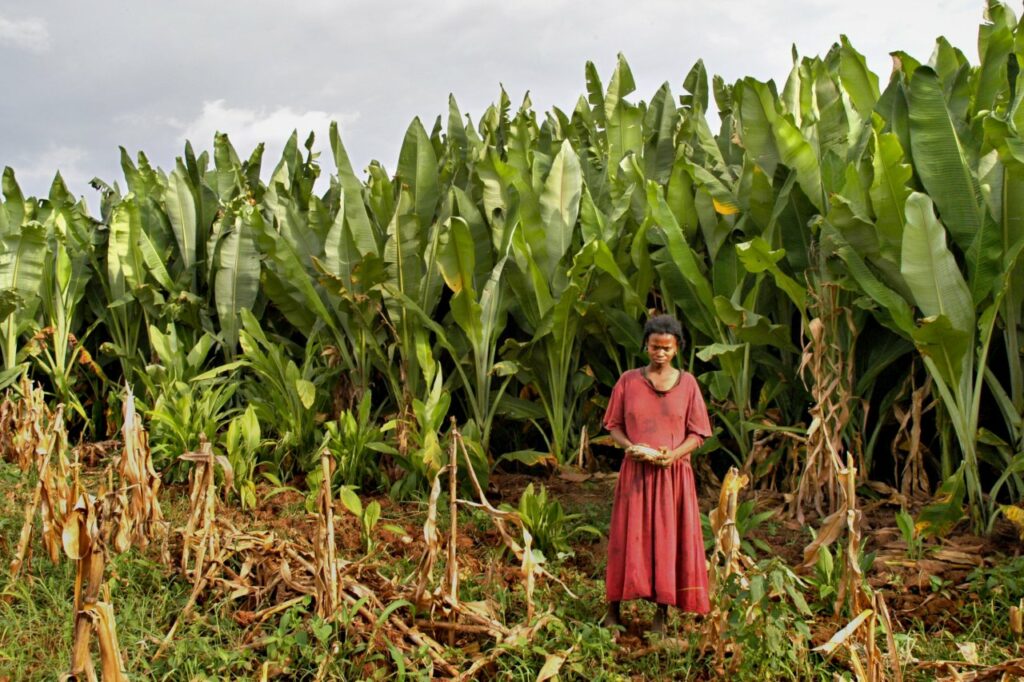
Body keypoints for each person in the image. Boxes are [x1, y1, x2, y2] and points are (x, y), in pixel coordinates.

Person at [602, 314, 712, 634]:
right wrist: (630, 447)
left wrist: (674, 455)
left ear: (677, 348)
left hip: (673, 477)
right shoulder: (628, 381)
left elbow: (698, 433)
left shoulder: (688, 384)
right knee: (626, 538)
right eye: (654, 347)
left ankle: (661, 617)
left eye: (666, 348)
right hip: (636, 474)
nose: (659, 353)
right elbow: (614, 426)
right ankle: (613, 610)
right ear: (645, 346)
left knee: (668, 541)